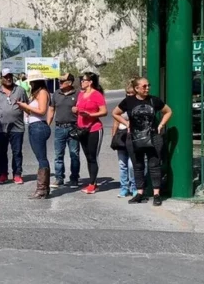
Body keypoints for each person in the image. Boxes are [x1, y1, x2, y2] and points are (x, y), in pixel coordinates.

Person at [112, 77, 173, 206]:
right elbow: (115, 113)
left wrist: (161, 125)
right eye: (144, 86)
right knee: (137, 166)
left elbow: (168, 111)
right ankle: (139, 193)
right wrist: (127, 123)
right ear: (136, 88)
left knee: (154, 166)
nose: (147, 88)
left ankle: (156, 194)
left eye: (148, 85)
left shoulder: (154, 100)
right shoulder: (128, 101)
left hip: (153, 137)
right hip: (134, 138)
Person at [0, 68, 28, 184]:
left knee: (17, 152)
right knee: (1, 152)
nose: (8, 78)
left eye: (10, 76)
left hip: (17, 127)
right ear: (1, 78)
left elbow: (26, 105)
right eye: (6, 76)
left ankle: (17, 174)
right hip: (0, 128)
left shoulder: (20, 90)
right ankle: (2, 174)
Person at [16, 74, 51, 199]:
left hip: (39, 126)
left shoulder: (42, 92)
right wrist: (23, 107)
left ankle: (42, 189)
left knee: (42, 158)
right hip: (34, 125)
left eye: (31, 82)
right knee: (40, 157)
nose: (30, 84)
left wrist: (25, 106)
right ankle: (44, 188)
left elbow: (41, 111)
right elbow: (32, 111)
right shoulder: (36, 93)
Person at [74, 72, 107, 194]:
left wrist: (91, 115)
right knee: (88, 157)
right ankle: (93, 182)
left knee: (93, 157)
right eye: (81, 80)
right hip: (82, 129)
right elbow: (79, 109)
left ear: (90, 82)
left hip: (94, 129)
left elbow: (104, 112)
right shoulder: (81, 94)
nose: (81, 82)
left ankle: (92, 184)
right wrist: (75, 110)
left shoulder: (97, 95)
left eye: (83, 80)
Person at [48, 73, 81, 189]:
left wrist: (78, 110)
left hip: (73, 128)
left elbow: (84, 108)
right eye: (59, 81)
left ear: (70, 83)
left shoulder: (78, 94)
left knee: (74, 154)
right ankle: (59, 178)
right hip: (59, 128)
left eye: (62, 81)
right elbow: (51, 109)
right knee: (58, 155)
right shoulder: (56, 94)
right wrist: (47, 124)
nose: (60, 83)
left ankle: (74, 178)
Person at [112, 82, 137, 198]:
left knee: (132, 165)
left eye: (132, 93)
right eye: (128, 93)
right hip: (122, 137)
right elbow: (115, 122)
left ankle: (134, 187)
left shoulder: (138, 105)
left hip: (134, 137)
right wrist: (113, 137)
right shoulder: (123, 105)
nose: (129, 95)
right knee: (122, 164)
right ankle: (124, 188)